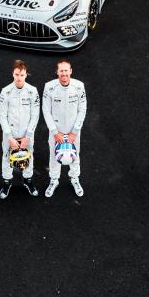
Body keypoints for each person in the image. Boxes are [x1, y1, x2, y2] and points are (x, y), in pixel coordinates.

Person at [42, 59, 87, 198]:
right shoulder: (49, 87)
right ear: (57, 72)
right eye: (61, 71)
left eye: (66, 70)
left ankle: (75, 178)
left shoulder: (79, 86)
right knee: (54, 156)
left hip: (74, 132)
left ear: (71, 71)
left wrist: (75, 131)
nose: (64, 73)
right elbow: (46, 110)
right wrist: (55, 132)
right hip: (56, 132)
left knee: (75, 155)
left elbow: (82, 109)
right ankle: (54, 180)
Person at [0, 60, 41, 198]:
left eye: (21, 75)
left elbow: (35, 115)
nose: (19, 78)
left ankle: (28, 181)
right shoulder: (5, 92)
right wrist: (9, 137)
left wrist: (27, 136)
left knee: (29, 155)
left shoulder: (32, 91)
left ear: (26, 75)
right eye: (16, 74)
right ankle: (7, 182)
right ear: (13, 74)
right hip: (9, 134)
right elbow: (2, 116)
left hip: (26, 134)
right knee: (6, 157)